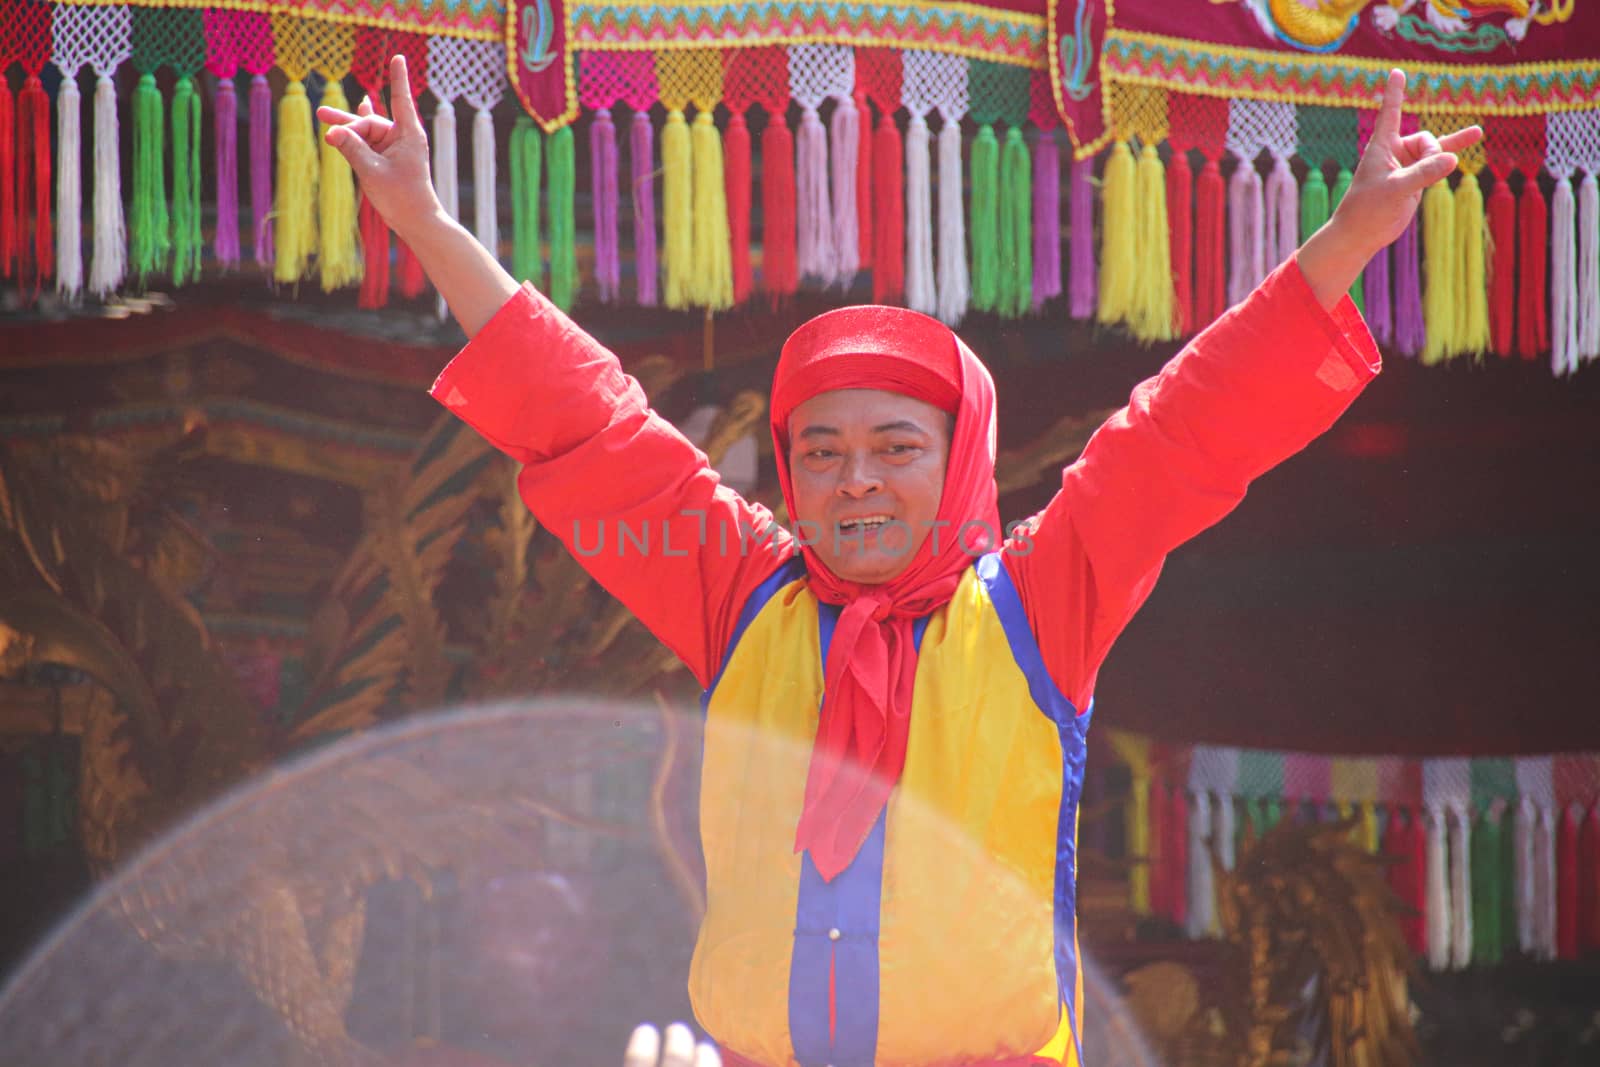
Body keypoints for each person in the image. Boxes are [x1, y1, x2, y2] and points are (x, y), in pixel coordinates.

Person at [320, 58, 1480, 1067]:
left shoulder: (1038, 599)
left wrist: (1351, 237)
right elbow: (586, 420)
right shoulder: (741, 593)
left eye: (894, 448)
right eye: (819, 452)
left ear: (960, 458)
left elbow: (1184, 430)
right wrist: (424, 219)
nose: (854, 479)